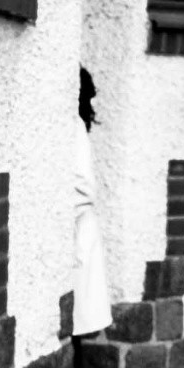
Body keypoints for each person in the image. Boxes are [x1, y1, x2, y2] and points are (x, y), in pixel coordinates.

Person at [72, 67, 113, 338]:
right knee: (75, 329)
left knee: (75, 331)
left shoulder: (73, 126)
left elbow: (83, 188)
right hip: (78, 233)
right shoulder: (74, 125)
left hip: (77, 234)